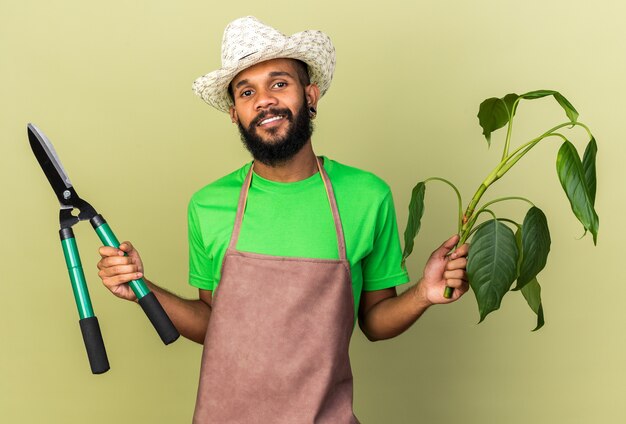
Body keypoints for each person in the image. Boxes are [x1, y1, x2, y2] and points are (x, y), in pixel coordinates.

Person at [96, 16, 469, 423]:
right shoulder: (208, 206)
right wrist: (141, 288)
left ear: (310, 95)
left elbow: (375, 321)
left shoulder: (366, 196)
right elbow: (212, 325)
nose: (264, 101)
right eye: (246, 91)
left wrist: (424, 294)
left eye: (279, 83)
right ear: (235, 114)